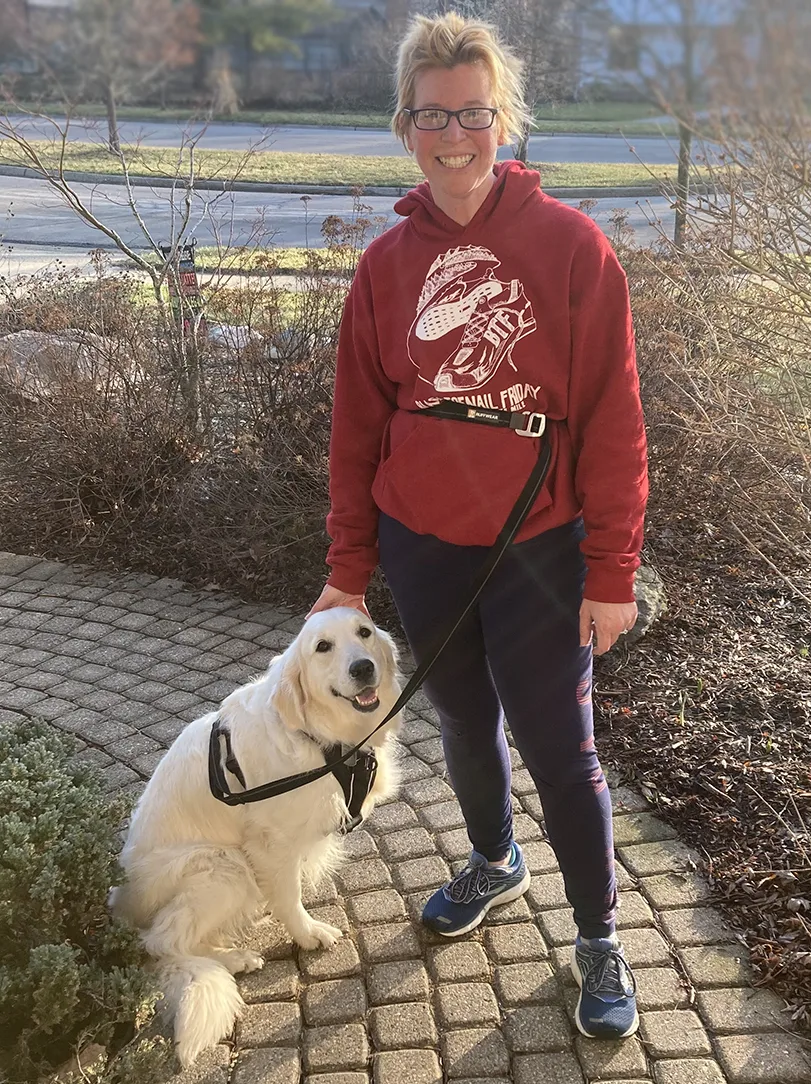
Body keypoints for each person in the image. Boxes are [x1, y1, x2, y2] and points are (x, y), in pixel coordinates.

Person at [308, 11, 648, 1040]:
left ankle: (596, 936)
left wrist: (611, 568)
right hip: (422, 539)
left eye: (473, 113)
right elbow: (358, 427)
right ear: (405, 124)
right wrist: (348, 568)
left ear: (504, 119)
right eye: (431, 115)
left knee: (560, 744)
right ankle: (497, 861)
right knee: (460, 719)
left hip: (541, 549)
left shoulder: (573, 248)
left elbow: (616, 422)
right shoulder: (385, 265)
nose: (453, 134)